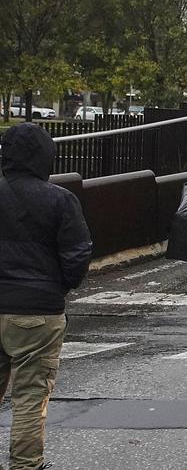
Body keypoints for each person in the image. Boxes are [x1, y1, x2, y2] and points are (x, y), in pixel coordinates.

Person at [0, 123, 93, 470]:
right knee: (29, 396)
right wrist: (58, 286)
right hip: (37, 311)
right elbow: (77, 254)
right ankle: (25, 464)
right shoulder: (60, 200)